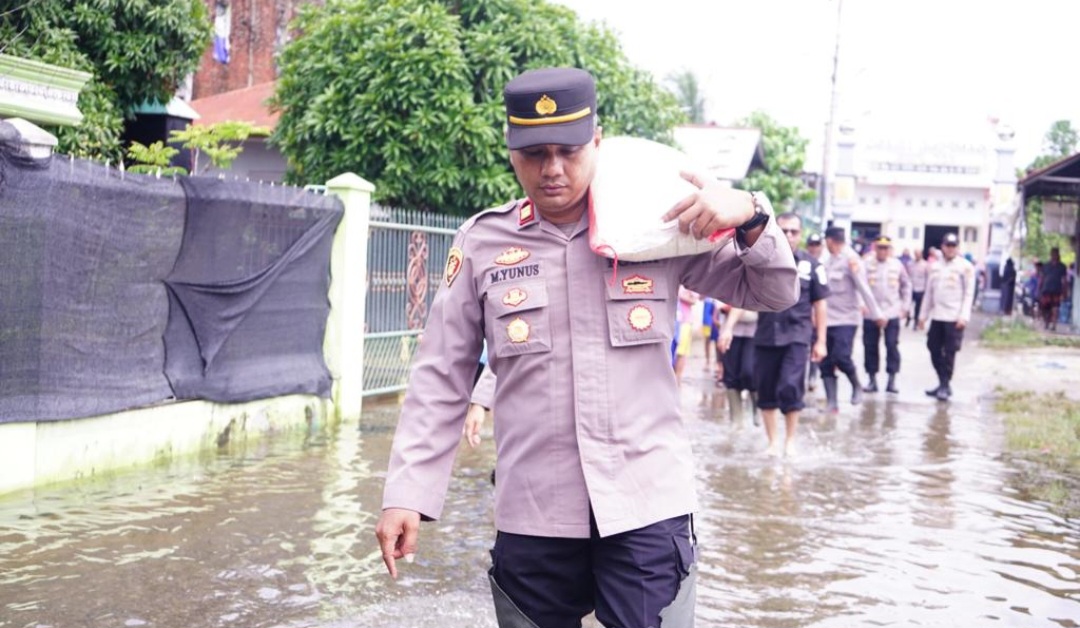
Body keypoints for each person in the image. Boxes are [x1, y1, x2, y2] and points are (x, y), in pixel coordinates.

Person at [374, 67, 799, 628]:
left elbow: (772, 292)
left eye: (569, 151)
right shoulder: (482, 243)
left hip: (647, 506)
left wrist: (751, 216)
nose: (552, 169)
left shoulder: (658, 225)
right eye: (534, 153)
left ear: (596, 142)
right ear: (510, 152)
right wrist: (407, 492)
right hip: (534, 512)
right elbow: (440, 378)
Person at [746, 212, 829, 457]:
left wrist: (821, 341)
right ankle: (772, 443)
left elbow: (820, 304)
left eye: (793, 231)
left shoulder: (812, 266)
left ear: (800, 234)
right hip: (766, 334)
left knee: (790, 387)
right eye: (783, 230)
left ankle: (790, 441)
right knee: (766, 389)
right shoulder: (761, 262)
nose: (788, 235)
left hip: (797, 335)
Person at [821, 226, 884, 412]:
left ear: (830, 240)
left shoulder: (851, 260)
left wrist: (877, 314)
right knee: (825, 361)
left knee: (841, 356)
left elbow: (864, 288)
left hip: (846, 318)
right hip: (826, 318)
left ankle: (856, 385)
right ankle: (832, 403)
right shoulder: (827, 259)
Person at [918, 233, 976, 401]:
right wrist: (922, 316)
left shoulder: (965, 267)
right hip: (938, 316)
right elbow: (929, 293)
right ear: (942, 247)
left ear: (957, 248)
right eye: (947, 245)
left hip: (954, 317)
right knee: (932, 347)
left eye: (953, 246)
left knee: (950, 352)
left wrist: (964, 316)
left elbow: (969, 294)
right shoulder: (935, 266)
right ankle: (942, 382)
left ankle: (945, 384)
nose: (950, 249)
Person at [862, 236, 912, 394]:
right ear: (875, 248)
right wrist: (862, 305)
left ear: (890, 249)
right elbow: (860, 286)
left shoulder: (897, 265)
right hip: (871, 313)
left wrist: (905, 306)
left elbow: (906, 285)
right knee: (870, 346)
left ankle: (891, 380)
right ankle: (872, 380)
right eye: (880, 247)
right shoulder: (866, 264)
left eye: (886, 248)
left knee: (891, 345)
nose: (883, 251)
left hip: (891, 312)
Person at [717, 306, 758, 426]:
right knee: (730, 376)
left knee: (749, 372)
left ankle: (758, 409)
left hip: (755, 331)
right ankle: (736, 420)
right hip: (730, 332)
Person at [805, 232, 824, 392]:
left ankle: (814, 374)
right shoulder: (803, 262)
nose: (814, 248)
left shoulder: (825, 264)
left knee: (819, 345)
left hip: (825, 314)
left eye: (816, 245)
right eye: (811, 245)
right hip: (806, 314)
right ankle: (809, 376)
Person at [1037, 247, 1069, 331]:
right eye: (1052, 253)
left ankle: (1054, 325)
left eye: (1055, 254)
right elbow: (1042, 278)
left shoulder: (1062, 267)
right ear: (1050, 255)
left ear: (1058, 255)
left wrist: (1065, 291)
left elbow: (1065, 280)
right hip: (1046, 289)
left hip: (1057, 290)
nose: (1054, 255)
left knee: (1055, 308)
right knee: (1044, 308)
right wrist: (1039, 289)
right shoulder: (1046, 266)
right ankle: (1046, 323)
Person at [907, 249, 929, 328]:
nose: (917, 255)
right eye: (916, 254)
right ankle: (908, 318)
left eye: (918, 254)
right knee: (908, 304)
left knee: (918, 306)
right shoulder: (910, 264)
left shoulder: (925, 265)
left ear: (921, 254)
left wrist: (926, 289)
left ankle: (916, 322)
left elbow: (928, 277)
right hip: (911, 287)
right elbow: (907, 275)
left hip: (920, 288)